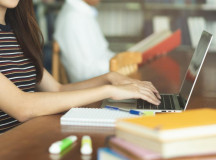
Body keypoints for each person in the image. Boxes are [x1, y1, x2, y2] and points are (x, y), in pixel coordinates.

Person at [0, 0, 160, 134]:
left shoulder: (18, 33)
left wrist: (109, 78)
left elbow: (57, 89)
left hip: (29, 138)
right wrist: (109, 91)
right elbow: (22, 107)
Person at [54, 0, 115, 82]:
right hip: (91, 86)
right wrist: (118, 64)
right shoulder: (73, 17)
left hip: (101, 78)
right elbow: (85, 72)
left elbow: (102, 53)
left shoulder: (83, 13)